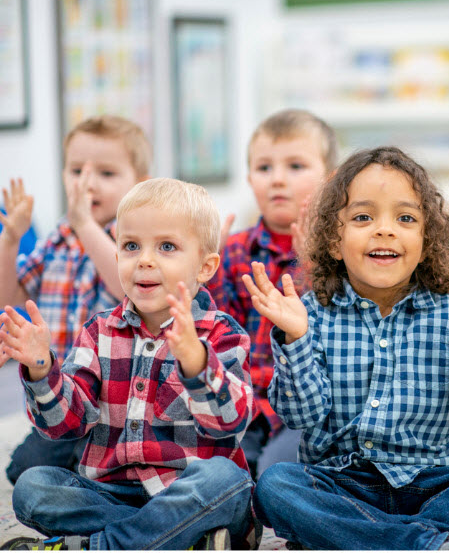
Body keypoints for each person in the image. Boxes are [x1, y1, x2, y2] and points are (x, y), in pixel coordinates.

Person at [244, 147, 449, 550]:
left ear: (427, 240)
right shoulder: (309, 314)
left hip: (433, 483)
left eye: (406, 218)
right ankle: (421, 544)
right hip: (342, 481)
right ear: (333, 240)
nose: (385, 230)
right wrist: (296, 339)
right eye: (363, 217)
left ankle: (359, 538)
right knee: (275, 486)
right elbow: (299, 415)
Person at [0, 178, 258, 550]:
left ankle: (97, 546)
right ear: (117, 255)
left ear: (205, 267)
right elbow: (67, 425)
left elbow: (230, 423)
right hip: (111, 494)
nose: (145, 259)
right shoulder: (99, 331)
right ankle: (179, 538)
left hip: (188, 490)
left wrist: (196, 362)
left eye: (167, 246)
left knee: (228, 482)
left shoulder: (222, 333)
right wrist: (42, 369)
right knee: (33, 488)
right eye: (131, 246)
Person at [0, 115, 152, 485]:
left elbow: (127, 286)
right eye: (76, 170)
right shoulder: (58, 239)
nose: (87, 184)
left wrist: (85, 224)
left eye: (106, 173)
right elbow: (9, 294)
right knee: (23, 470)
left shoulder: (137, 239)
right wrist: (10, 239)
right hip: (62, 403)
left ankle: (102, 474)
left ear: (140, 184)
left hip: (120, 413)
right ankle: (86, 474)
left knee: (120, 471)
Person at [207, 109, 337, 479]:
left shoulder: (342, 252)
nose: (278, 179)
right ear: (250, 179)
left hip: (308, 410)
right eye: (265, 168)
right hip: (242, 404)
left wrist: (313, 267)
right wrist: (205, 270)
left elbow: (342, 329)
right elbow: (215, 329)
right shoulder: (233, 250)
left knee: (276, 474)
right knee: (218, 472)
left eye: (295, 166)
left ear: (330, 179)